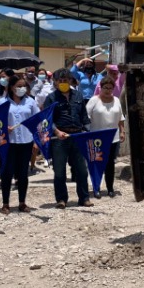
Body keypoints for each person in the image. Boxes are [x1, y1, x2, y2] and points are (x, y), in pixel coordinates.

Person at [44, 68, 93, 209]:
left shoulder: (78, 95)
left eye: (65, 80)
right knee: (59, 171)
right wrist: (57, 131)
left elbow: (84, 116)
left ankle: (84, 198)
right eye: (60, 80)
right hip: (59, 139)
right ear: (55, 82)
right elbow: (47, 119)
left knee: (82, 170)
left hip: (77, 136)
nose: (63, 82)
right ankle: (61, 199)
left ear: (70, 81)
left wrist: (87, 132)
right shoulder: (51, 98)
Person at [0, 75, 40, 214]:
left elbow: (37, 120)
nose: (22, 89)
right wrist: (4, 127)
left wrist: (36, 140)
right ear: (11, 87)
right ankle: (5, 203)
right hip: (8, 143)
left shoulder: (30, 102)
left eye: (24, 86)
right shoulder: (2, 102)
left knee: (23, 174)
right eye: (19, 86)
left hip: (26, 142)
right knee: (6, 173)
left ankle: (22, 202)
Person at [86, 76, 125, 198]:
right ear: (100, 88)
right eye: (105, 88)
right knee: (97, 164)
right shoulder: (94, 100)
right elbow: (86, 118)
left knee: (110, 164)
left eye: (110, 88)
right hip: (96, 138)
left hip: (113, 138)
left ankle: (110, 188)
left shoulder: (116, 100)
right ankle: (96, 188)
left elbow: (121, 118)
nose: (108, 90)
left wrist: (122, 131)